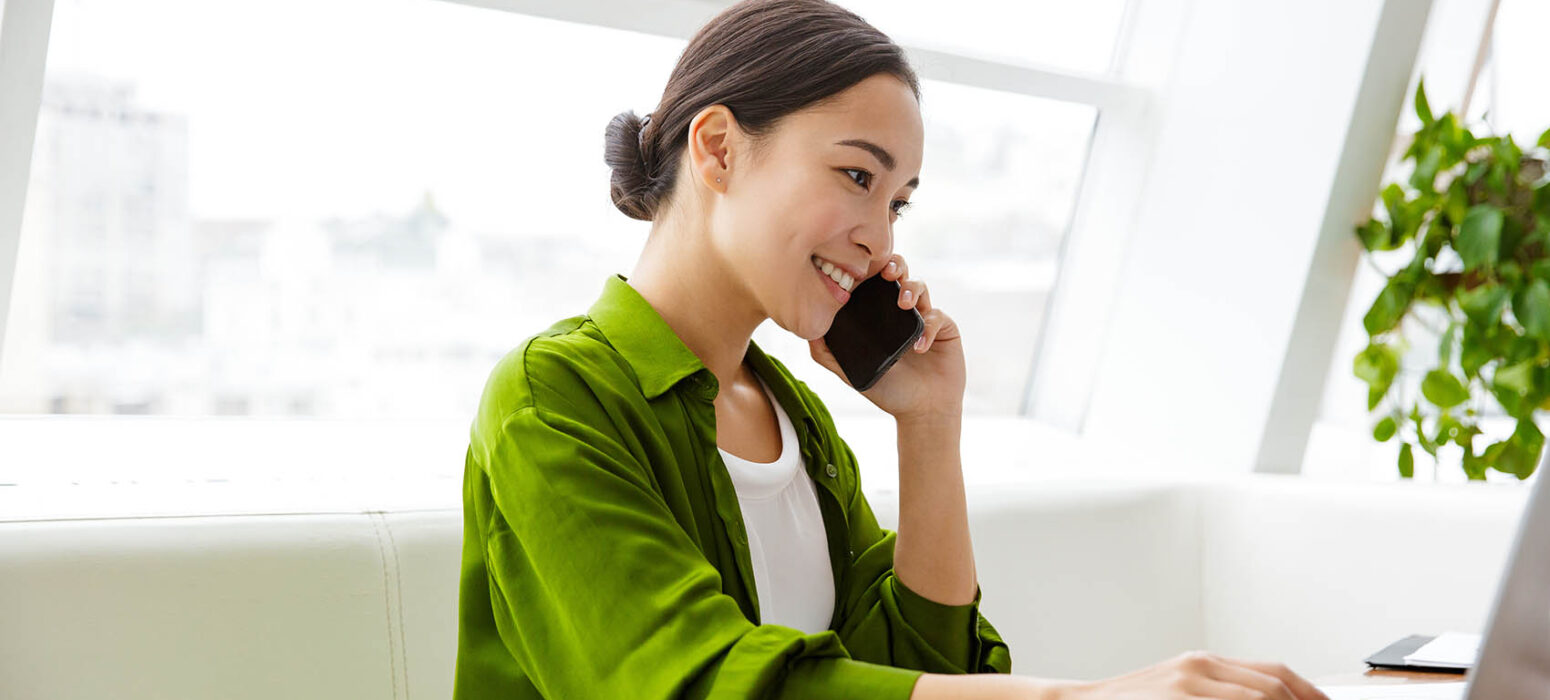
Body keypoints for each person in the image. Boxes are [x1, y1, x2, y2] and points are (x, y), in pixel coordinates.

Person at [452, 1, 1332, 698]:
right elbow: (701, 682)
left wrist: (930, 423)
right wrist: (1079, 696)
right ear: (718, 148)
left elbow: (928, 674)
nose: (877, 237)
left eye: (899, 201)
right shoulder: (552, 398)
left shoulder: (789, 415)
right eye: (857, 176)